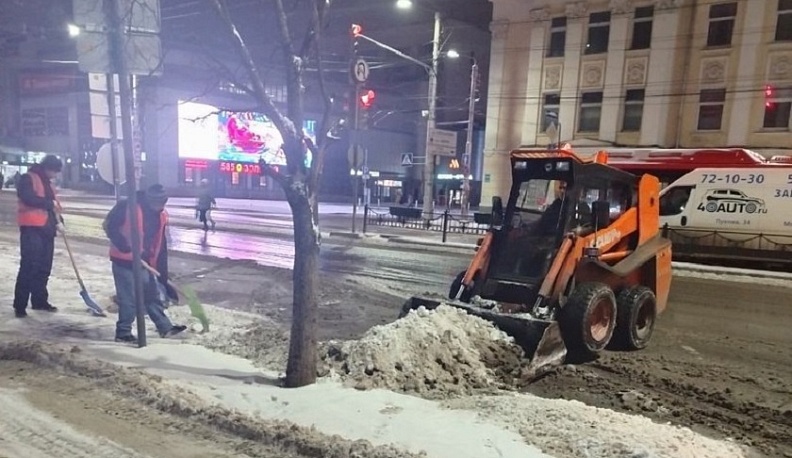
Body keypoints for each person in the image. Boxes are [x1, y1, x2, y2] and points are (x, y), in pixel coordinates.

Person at [103, 184, 186, 343]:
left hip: (144, 260)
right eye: (157, 203)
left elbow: (160, 244)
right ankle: (123, 333)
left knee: (151, 294)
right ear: (149, 200)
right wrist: (124, 245)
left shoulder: (161, 215)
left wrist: (162, 272)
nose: (160, 207)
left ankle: (165, 327)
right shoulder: (127, 206)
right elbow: (109, 226)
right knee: (128, 298)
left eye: (163, 203)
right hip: (123, 259)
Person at [13, 155, 64, 318]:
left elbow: (54, 207)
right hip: (32, 229)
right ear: (47, 168)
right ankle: (20, 305)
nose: (55, 175)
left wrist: (60, 221)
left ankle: (39, 300)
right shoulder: (28, 178)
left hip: (47, 229)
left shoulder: (48, 183)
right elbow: (27, 198)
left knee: (44, 268)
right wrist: (49, 204)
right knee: (29, 266)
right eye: (54, 171)